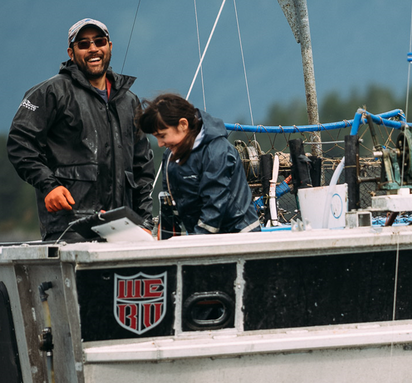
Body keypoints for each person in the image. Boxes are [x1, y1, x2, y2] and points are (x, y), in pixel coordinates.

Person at [7, 18, 154, 242]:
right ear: (71, 52)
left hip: (124, 229)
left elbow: (142, 168)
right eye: (83, 44)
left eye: (99, 41)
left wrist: (145, 222)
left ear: (109, 46)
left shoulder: (129, 102)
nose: (93, 48)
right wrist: (49, 186)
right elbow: (20, 144)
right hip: (69, 227)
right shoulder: (51, 92)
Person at [136, 93, 261, 236]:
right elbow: (170, 208)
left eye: (162, 135)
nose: (159, 144)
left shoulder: (218, 151)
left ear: (183, 124)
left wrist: (194, 245)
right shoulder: (170, 156)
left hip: (240, 238)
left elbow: (214, 208)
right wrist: (166, 245)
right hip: (203, 238)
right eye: (156, 137)